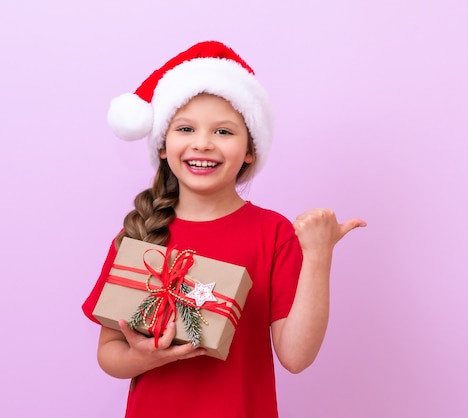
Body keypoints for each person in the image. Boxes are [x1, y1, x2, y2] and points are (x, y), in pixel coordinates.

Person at [81, 41, 366, 418]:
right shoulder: (141, 235)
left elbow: (296, 357)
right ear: (164, 145)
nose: (203, 143)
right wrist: (141, 357)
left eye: (224, 132)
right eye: (185, 128)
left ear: (250, 149)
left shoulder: (273, 233)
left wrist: (318, 256)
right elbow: (109, 355)